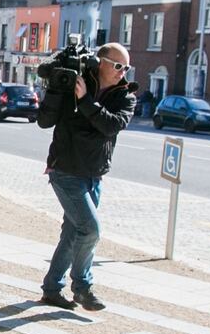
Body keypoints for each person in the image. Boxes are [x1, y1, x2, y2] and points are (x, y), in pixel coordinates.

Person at [36, 42, 137, 312]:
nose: (122, 72)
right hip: (65, 171)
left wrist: (86, 102)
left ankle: (51, 289)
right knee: (90, 229)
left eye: (126, 67)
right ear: (100, 62)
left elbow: (111, 126)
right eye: (117, 65)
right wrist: (57, 89)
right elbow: (45, 121)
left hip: (93, 175)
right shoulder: (75, 82)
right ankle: (82, 287)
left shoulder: (126, 96)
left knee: (72, 233)